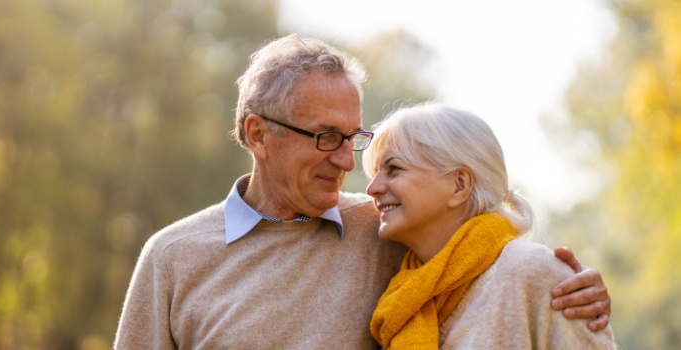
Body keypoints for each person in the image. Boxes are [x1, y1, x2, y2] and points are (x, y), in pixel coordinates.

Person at [114, 34, 611, 349]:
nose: (347, 160)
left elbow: (480, 258)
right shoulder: (172, 259)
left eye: (353, 138)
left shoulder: (386, 230)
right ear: (259, 134)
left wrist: (575, 291)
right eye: (326, 136)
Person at [363, 104, 616, 349]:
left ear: (459, 185)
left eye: (393, 169)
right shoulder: (400, 297)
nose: (372, 188)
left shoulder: (532, 270)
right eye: (374, 173)